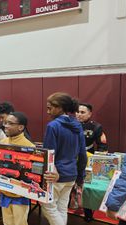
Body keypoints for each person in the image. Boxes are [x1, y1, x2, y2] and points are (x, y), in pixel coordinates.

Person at [41, 92, 87, 225]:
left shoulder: (53, 126)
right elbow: (82, 155)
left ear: (60, 108)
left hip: (56, 175)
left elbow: (49, 153)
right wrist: (80, 176)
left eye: (50, 108)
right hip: (71, 175)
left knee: (48, 207)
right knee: (61, 208)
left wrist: (53, 170)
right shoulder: (77, 125)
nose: (48, 111)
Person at [0, 112, 35, 225]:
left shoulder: (29, 147)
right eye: (5, 123)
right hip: (4, 191)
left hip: (20, 195)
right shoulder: (2, 142)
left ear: (21, 127)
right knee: (7, 222)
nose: (6, 126)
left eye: (10, 123)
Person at [76, 102, 108, 222]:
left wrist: (98, 163)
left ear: (90, 114)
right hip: (71, 158)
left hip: (88, 158)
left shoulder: (96, 127)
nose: (79, 114)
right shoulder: (70, 125)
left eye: (82, 112)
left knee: (85, 186)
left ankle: (88, 212)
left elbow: (103, 146)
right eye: (77, 112)